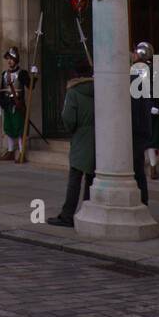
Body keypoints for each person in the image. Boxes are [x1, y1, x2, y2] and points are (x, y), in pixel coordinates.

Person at [48, 62, 96, 227]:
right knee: (92, 176)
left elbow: (69, 119)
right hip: (99, 138)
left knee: (75, 177)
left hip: (82, 137)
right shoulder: (100, 89)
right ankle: (88, 210)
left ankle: (67, 214)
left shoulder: (74, 92)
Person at [0, 47, 33, 162]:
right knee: (9, 128)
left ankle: (22, 153)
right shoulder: (4, 74)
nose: (9, 61)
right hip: (7, 104)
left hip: (18, 105)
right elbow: (2, 89)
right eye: (8, 58)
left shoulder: (22, 73)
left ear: (16, 60)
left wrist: (34, 75)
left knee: (20, 128)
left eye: (12, 59)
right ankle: (11, 152)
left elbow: (31, 86)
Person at [130, 42, 155, 204]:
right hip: (144, 122)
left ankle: (142, 199)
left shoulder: (137, 72)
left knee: (137, 168)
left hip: (139, 125)